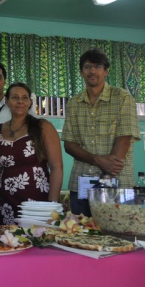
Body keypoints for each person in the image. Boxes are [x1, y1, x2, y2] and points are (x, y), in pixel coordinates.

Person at [62, 49, 140, 216]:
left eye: (98, 66)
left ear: (106, 71)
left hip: (118, 183)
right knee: (81, 235)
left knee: (118, 236)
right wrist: (98, 160)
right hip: (80, 185)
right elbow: (69, 144)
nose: (92, 71)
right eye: (87, 66)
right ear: (81, 72)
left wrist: (107, 174)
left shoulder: (123, 98)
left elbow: (124, 138)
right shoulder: (73, 103)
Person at [0, 83, 63, 224]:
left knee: (36, 240)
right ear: (6, 101)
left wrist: (52, 206)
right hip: (6, 201)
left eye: (25, 98)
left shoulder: (43, 127)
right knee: (8, 242)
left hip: (37, 202)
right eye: (15, 97)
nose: (20, 101)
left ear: (30, 102)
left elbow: (57, 167)